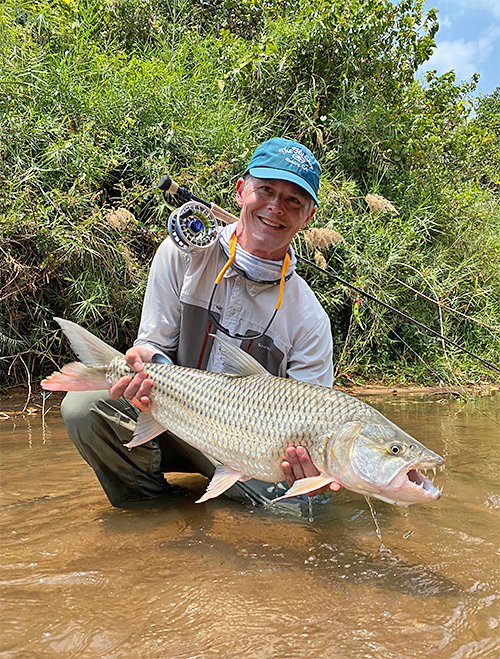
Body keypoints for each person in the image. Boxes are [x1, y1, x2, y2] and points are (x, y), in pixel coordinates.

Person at [61, 137, 342, 509]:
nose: (275, 207)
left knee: (307, 507)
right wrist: (143, 367)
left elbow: (312, 417)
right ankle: (153, 513)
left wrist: (314, 474)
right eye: (267, 190)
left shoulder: (310, 319)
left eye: (293, 201)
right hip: (171, 418)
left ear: (308, 217)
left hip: (253, 451)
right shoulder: (182, 253)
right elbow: (152, 346)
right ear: (242, 191)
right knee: (84, 408)